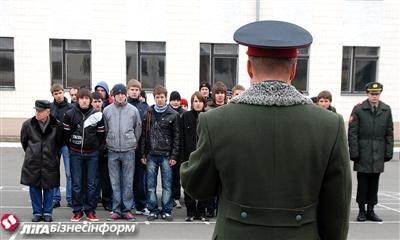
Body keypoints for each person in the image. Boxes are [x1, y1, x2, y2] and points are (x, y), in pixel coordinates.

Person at [181, 20, 352, 240]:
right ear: (294, 69)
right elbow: (337, 207)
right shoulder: (330, 125)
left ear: (249, 68)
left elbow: (197, 187)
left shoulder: (215, 122)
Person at [348, 82, 394, 222]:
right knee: (363, 183)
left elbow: (389, 133)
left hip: (378, 152)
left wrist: (388, 151)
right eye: (372, 94)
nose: (374, 97)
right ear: (367, 94)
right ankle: (362, 211)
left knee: (374, 183)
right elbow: (353, 133)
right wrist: (354, 153)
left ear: (380, 94)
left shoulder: (386, 109)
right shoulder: (359, 109)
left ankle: (371, 210)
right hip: (363, 152)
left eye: (377, 94)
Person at [63, 88, 105, 222]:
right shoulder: (69, 114)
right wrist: (73, 147)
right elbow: (65, 135)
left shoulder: (97, 115)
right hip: (75, 154)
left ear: (90, 100)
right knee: (76, 184)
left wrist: (94, 148)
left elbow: (101, 136)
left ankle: (90, 211)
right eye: (82, 98)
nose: (84, 100)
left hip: (92, 154)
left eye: (87, 98)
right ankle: (77, 211)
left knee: (91, 184)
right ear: (78, 99)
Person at [140, 85, 180, 221]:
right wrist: (143, 154)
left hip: (166, 155)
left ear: (166, 98)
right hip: (151, 155)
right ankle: (152, 210)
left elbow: (177, 137)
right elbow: (144, 136)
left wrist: (174, 156)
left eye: (162, 97)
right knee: (150, 186)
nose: (160, 100)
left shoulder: (173, 114)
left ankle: (167, 210)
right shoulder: (148, 113)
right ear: (154, 98)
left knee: (167, 185)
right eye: (157, 97)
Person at [103, 83, 142, 221]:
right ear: (113, 96)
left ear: (125, 95)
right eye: (118, 94)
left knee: (128, 182)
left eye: (123, 93)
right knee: (114, 182)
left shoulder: (133, 110)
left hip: (128, 151)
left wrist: (132, 142)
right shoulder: (107, 110)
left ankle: (126, 210)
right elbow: (106, 129)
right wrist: (110, 139)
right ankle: (116, 210)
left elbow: (138, 128)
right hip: (112, 150)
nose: (120, 96)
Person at [20, 100, 63, 222]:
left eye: (40, 111)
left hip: (50, 160)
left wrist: (51, 154)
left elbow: (59, 143)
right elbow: (24, 142)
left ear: (48, 112)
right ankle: (37, 212)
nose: (37, 113)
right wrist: (33, 153)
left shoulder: (57, 125)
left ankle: (48, 212)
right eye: (36, 110)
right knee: (34, 187)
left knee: (49, 187)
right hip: (33, 161)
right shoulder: (27, 125)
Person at [180, 92, 208, 222]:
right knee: (189, 185)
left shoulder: (208, 116)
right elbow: (181, 137)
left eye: (200, 101)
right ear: (192, 103)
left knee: (204, 184)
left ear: (204, 103)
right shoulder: (185, 116)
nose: (198, 103)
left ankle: (201, 212)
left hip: (204, 156)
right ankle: (190, 212)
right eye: (195, 101)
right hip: (189, 156)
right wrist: (182, 157)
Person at [127, 79, 150, 216]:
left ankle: (141, 205)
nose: (134, 92)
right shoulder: (124, 105)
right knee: (126, 178)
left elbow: (147, 130)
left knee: (140, 179)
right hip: (127, 148)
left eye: (137, 90)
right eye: (132, 89)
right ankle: (127, 205)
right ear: (127, 90)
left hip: (141, 149)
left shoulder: (144, 107)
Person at [49, 83, 73, 208]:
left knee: (69, 173)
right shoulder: (50, 108)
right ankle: (55, 198)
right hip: (53, 144)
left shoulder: (70, 107)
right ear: (52, 95)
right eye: (55, 93)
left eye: (60, 93)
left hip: (66, 144)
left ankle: (70, 198)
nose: (58, 95)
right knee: (54, 172)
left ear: (64, 92)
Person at [169, 90, 186, 209]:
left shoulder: (184, 113)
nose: (175, 102)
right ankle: (169, 198)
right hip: (168, 147)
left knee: (178, 175)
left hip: (180, 148)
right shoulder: (167, 112)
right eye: (173, 100)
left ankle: (176, 197)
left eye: (177, 100)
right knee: (169, 175)